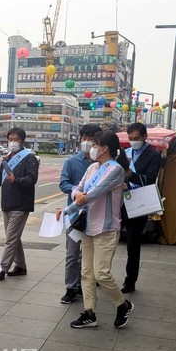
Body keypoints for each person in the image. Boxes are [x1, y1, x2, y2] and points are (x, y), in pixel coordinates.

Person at [56, 131, 135, 329]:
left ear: (105, 148)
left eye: (94, 143)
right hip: (88, 227)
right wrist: (77, 194)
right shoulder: (92, 167)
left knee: (101, 274)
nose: (90, 146)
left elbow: (94, 194)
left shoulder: (115, 170)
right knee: (87, 273)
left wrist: (67, 209)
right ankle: (89, 312)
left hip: (106, 228)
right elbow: (79, 188)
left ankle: (122, 305)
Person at [0, 127, 39, 282]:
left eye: (16, 139)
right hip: (7, 203)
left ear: (22, 141)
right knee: (14, 237)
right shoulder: (7, 158)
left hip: (21, 204)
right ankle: (20, 266)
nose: (12, 142)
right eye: (10, 139)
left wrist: (16, 180)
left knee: (10, 238)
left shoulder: (29, 158)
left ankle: (2, 268)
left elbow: (32, 179)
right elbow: (2, 180)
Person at [58, 124, 102, 304]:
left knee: (90, 255)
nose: (86, 142)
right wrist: (77, 193)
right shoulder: (71, 162)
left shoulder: (103, 163)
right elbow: (63, 184)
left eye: (90, 139)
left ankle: (87, 286)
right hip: (75, 216)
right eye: (84, 137)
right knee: (72, 254)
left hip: (96, 215)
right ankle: (71, 287)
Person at [121, 123, 162, 293]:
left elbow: (150, 179)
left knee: (132, 243)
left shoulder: (153, 155)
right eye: (130, 139)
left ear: (145, 137)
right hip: (121, 200)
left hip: (139, 202)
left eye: (136, 139)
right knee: (108, 239)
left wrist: (131, 175)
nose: (133, 142)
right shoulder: (125, 153)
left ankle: (130, 281)